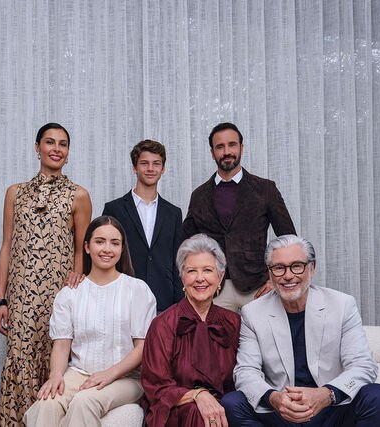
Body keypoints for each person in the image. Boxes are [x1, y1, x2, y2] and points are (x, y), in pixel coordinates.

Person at [220, 235, 380, 426]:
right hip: (282, 410)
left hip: (331, 407)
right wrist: (274, 398)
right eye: (279, 268)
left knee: (378, 396)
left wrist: (326, 394)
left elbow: (362, 365)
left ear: (311, 268)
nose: (288, 275)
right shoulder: (252, 313)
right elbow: (246, 371)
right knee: (232, 403)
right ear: (270, 273)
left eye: (297, 266)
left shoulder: (342, 304)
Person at [0, 123, 94, 426]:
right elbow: (7, 246)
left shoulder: (79, 195)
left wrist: (75, 283)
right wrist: (0, 299)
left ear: (68, 152)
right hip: (21, 298)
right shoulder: (15, 193)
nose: (56, 149)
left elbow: (81, 249)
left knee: (55, 363)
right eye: (50, 142)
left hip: (58, 296)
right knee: (20, 361)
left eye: (63, 144)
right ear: (37, 147)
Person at [24, 216, 156, 426]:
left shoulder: (137, 290)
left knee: (84, 401)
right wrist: (56, 375)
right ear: (87, 247)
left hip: (127, 378)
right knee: (47, 403)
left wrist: (109, 374)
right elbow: (61, 345)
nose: (107, 249)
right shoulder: (69, 294)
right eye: (100, 241)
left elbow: (143, 348)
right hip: (79, 373)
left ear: (122, 249)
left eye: (115, 243)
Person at [182, 123, 296, 312]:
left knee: (264, 332)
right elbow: (187, 244)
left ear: (241, 148)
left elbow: (288, 239)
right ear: (212, 153)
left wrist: (275, 280)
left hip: (257, 287)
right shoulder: (199, 195)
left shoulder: (265, 189)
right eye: (220, 147)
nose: (227, 151)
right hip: (214, 288)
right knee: (213, 333)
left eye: (232, 145)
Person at [141, 234, 241, 427]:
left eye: (208, 270)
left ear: (220, 277)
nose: (200, 278)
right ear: (182, 277)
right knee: (197, 413)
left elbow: (241, 376)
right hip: (177, 409)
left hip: (224, 406)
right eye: (192, 271)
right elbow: (157, 386)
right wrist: (198, 395)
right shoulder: (162, 324)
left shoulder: (233, 321)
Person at [102, 139, 186, 313]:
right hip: (122, 298)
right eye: (144, 163)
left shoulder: (174, 213)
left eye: (156, 164)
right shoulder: (114, 209)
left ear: (163, 169)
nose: (150, 168)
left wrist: (179, 303)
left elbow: (178, 261)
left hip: (164, 300)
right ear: (135, 167)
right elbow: (105, 254)